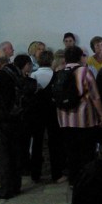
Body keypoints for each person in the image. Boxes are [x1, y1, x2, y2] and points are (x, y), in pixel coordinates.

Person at [0, 52, 37, 199]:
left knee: (3, 156)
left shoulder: (0, 75)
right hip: (18, 120)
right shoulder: (18, 73)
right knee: (15, 155)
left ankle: (6, 190)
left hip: (2, 121)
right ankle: (16, 186)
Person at [53, 44, 102, 186]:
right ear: (79, 57)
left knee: (71, 153)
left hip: (64, 120)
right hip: (85, 120)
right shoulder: (84, 71)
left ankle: (73, 180)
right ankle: (87, 181)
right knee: (86, 153)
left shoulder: (60, 72)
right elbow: (95, 96)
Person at [30, 49, 66, 183]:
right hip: (52, 112)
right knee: (55, 144)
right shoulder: (56, 75)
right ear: (52, 60)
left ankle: (35, 174)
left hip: (37, 113)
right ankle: (57, 174)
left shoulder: (33, 76)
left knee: (37, 143)